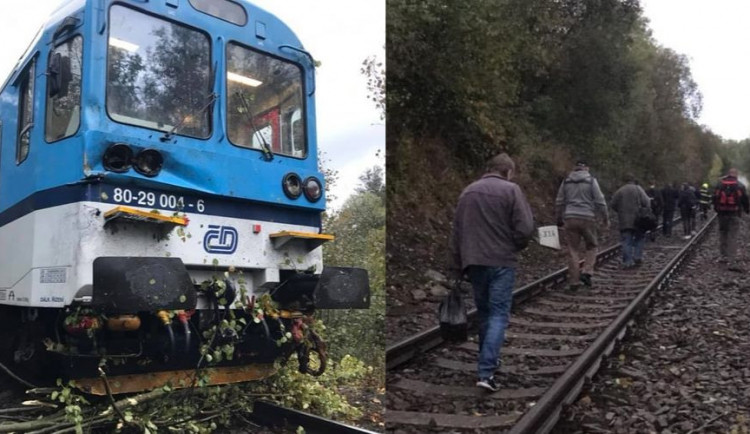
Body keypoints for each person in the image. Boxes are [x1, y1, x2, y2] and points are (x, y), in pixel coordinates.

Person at [450, 153, 535, 392]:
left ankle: (488, 362)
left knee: (485, 313)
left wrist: (457, 265)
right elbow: (525, 228)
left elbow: (457, 232)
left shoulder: (468, 191)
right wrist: (515, 245)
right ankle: (486, 373)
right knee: (498, 314)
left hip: (474, 262)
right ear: (507, 171)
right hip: (501, 261)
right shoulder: (511, 190)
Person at [554, 160, 609, 290]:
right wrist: (605, 218)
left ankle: (574, 282)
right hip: (587, 217)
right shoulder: (591, 181)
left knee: (573, 250)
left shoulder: (566, 181)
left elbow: (559, 201)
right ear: (587, 168)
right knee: (592, 246)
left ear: (575, 168)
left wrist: (558, 218)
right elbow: (600, 201)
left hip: (570, 217)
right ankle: (587, 272)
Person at [713, 168, 749, 271]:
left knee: (723, 233)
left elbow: (714, 197)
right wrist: (746, 210)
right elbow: (745, 199)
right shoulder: (739, 185)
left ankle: (723, 256)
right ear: (736, 175)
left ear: (728, 174)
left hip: (722, 213)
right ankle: (731, 258)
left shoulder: (720, 184)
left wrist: (717, 209)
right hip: (734, 213)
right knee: (732, 235)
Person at [611, 175, 651, 268]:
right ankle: (637, 256)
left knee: (626, 241)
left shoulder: (620, 191)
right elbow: (647, 202)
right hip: (638, 220)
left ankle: (627, 261)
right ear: (633, 180)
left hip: (624, 220)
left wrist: (620, 211)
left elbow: (613, 204)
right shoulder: (638, 189)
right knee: (639, 238)